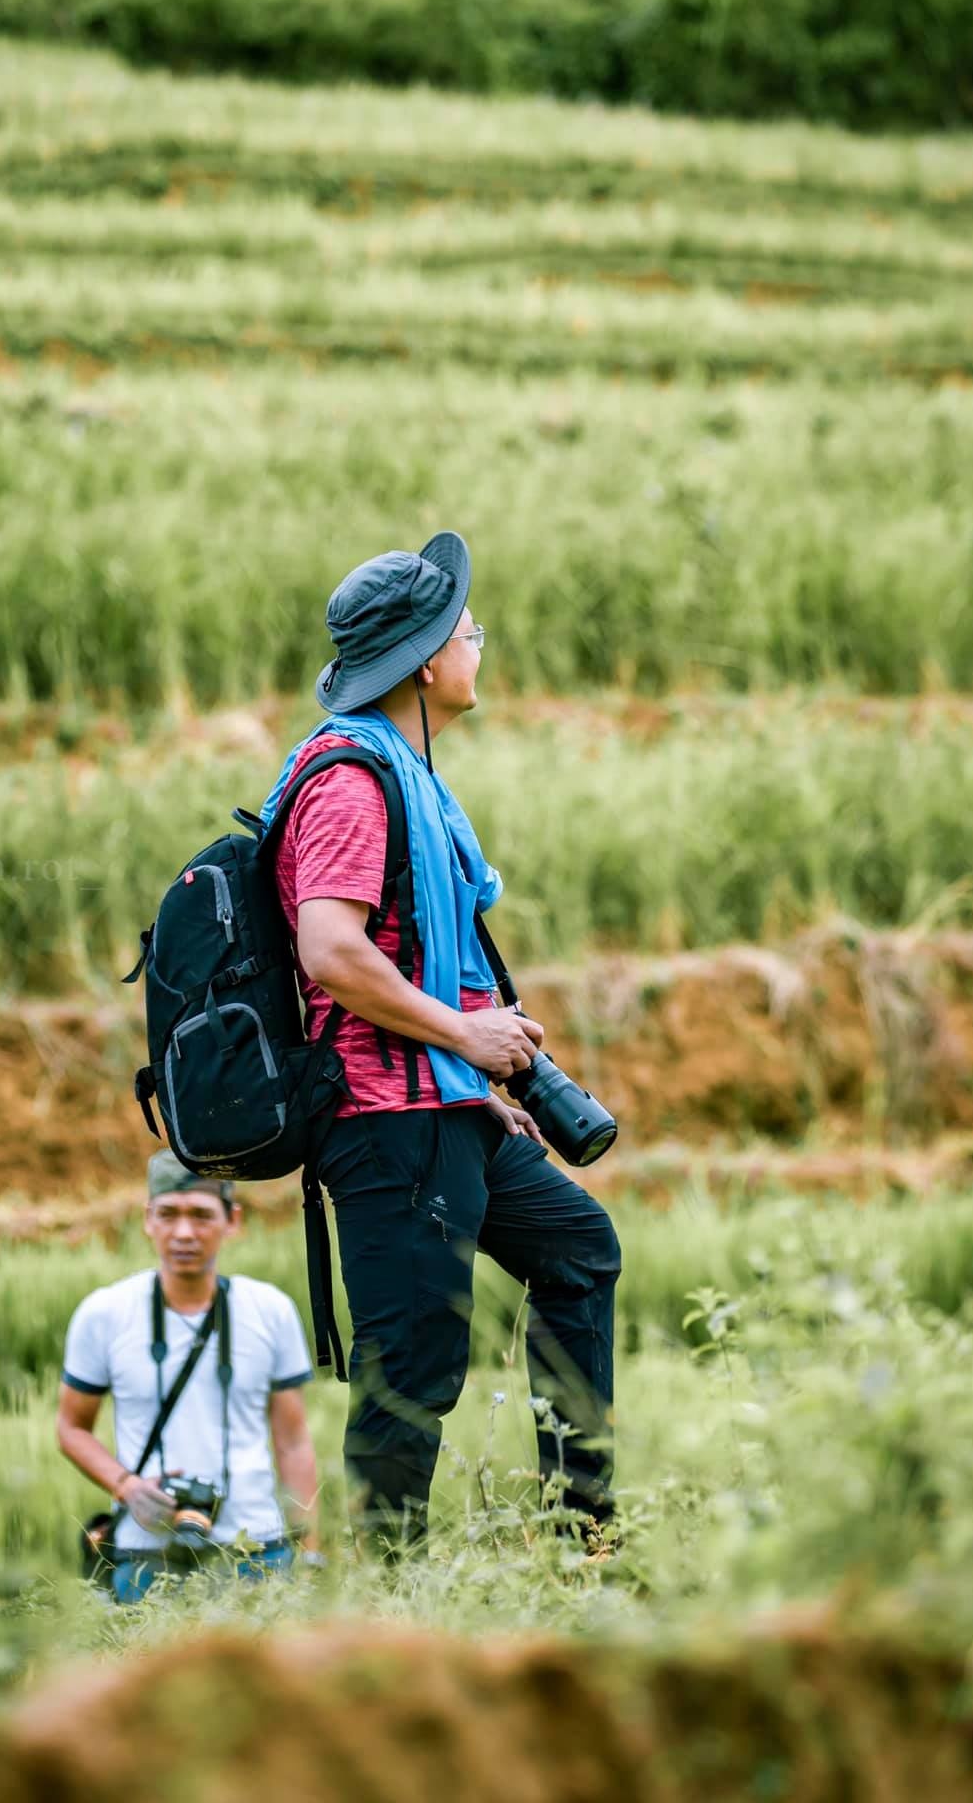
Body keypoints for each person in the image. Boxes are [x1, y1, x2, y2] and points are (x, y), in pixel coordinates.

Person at [260, 530, 621, 1551]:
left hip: (442, 1100)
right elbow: (331, 948)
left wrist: (474, 1066)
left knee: (579, 1250)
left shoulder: (406, 772)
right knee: (412, 1372)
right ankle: (387, 1605)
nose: (479, 642)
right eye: (469, 630)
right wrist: (466, 1029)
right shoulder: (349, 781)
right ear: (426, 658)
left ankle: (577, 1534)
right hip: (386, 1118)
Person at [56, 1150, 323, 1604]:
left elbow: (294, 1442)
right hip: (145, 1554)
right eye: (169, 1214)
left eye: (201, 1215)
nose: (184, 1232)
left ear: (232, 1220)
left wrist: (312, 1553)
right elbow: (71, 1427)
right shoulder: (104, 1314)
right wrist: (127, 1487)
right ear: (148, 1220)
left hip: (256, 1548)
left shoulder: (270, 1310)